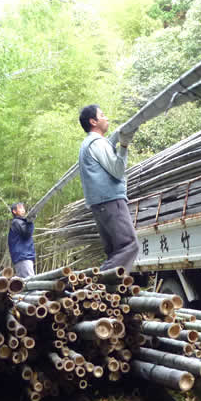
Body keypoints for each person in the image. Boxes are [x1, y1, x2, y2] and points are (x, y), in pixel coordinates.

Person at [78, 105, 139, 274]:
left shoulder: (86, 144)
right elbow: (118, 171)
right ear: (93, 121)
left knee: (115, 251)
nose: (107, 118)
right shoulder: (97, 143)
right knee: (129, 245)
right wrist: (124, 146)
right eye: (102, 115)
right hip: (111, 201)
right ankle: (95, 282)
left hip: (99, 204)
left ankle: (105, 293)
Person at [7, 202, 36, 278]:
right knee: (30, 282)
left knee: (24, 282)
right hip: (23, 257)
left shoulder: (21, 222)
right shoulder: (17, 222)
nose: (23, 210)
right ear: (14, 211)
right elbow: (27, 234)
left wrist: (29, 222)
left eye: (23, 208)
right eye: (20, 208)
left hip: (24, 257)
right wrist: (30, 222)